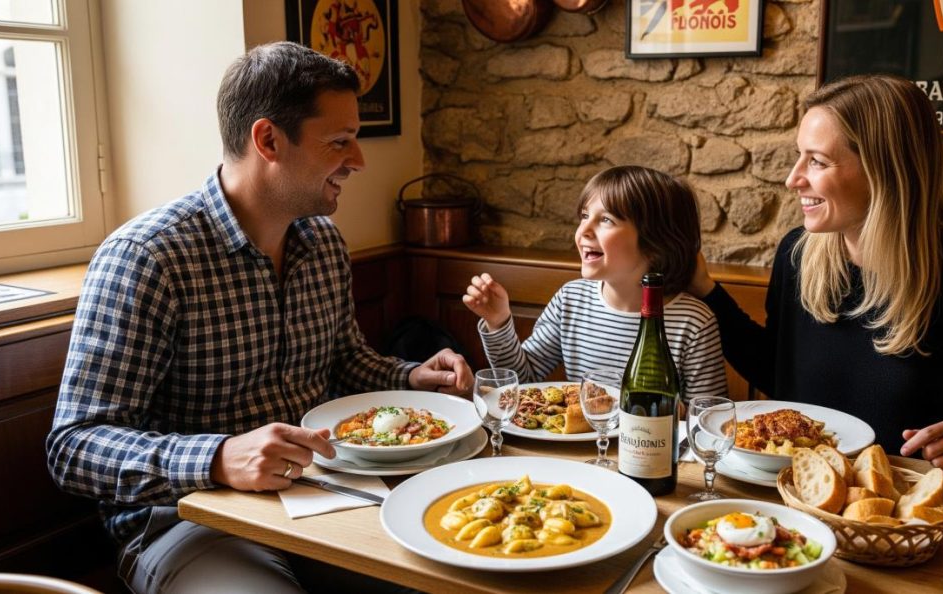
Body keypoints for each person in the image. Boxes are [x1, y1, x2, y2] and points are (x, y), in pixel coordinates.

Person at [46, 42, 471, 594]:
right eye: (339, 142)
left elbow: (343, 360)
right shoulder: (148, 256)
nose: (359, 160)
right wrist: (219, 457)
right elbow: (73, 446)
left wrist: (409, 377)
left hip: (329, 493)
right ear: (268, 139)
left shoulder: (321, 242)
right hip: (188, 522)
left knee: (451, 578)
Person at [687, 74, 943, 587]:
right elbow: (780, 372)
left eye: (817, 161)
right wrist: (706, 291)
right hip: (798, 527)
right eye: (799, 156)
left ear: (884, 170)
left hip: (909, 547)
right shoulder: (798, 255)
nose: (793, 179)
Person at [463, 165, 728, 398]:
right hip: (575, 450)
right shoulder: (571, 300)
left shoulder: (693, 323)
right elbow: (522, 382)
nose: (584, 231)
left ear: (656, 244)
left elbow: (707, 422)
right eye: (584, 216)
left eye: (606, 220)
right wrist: (498, 323)